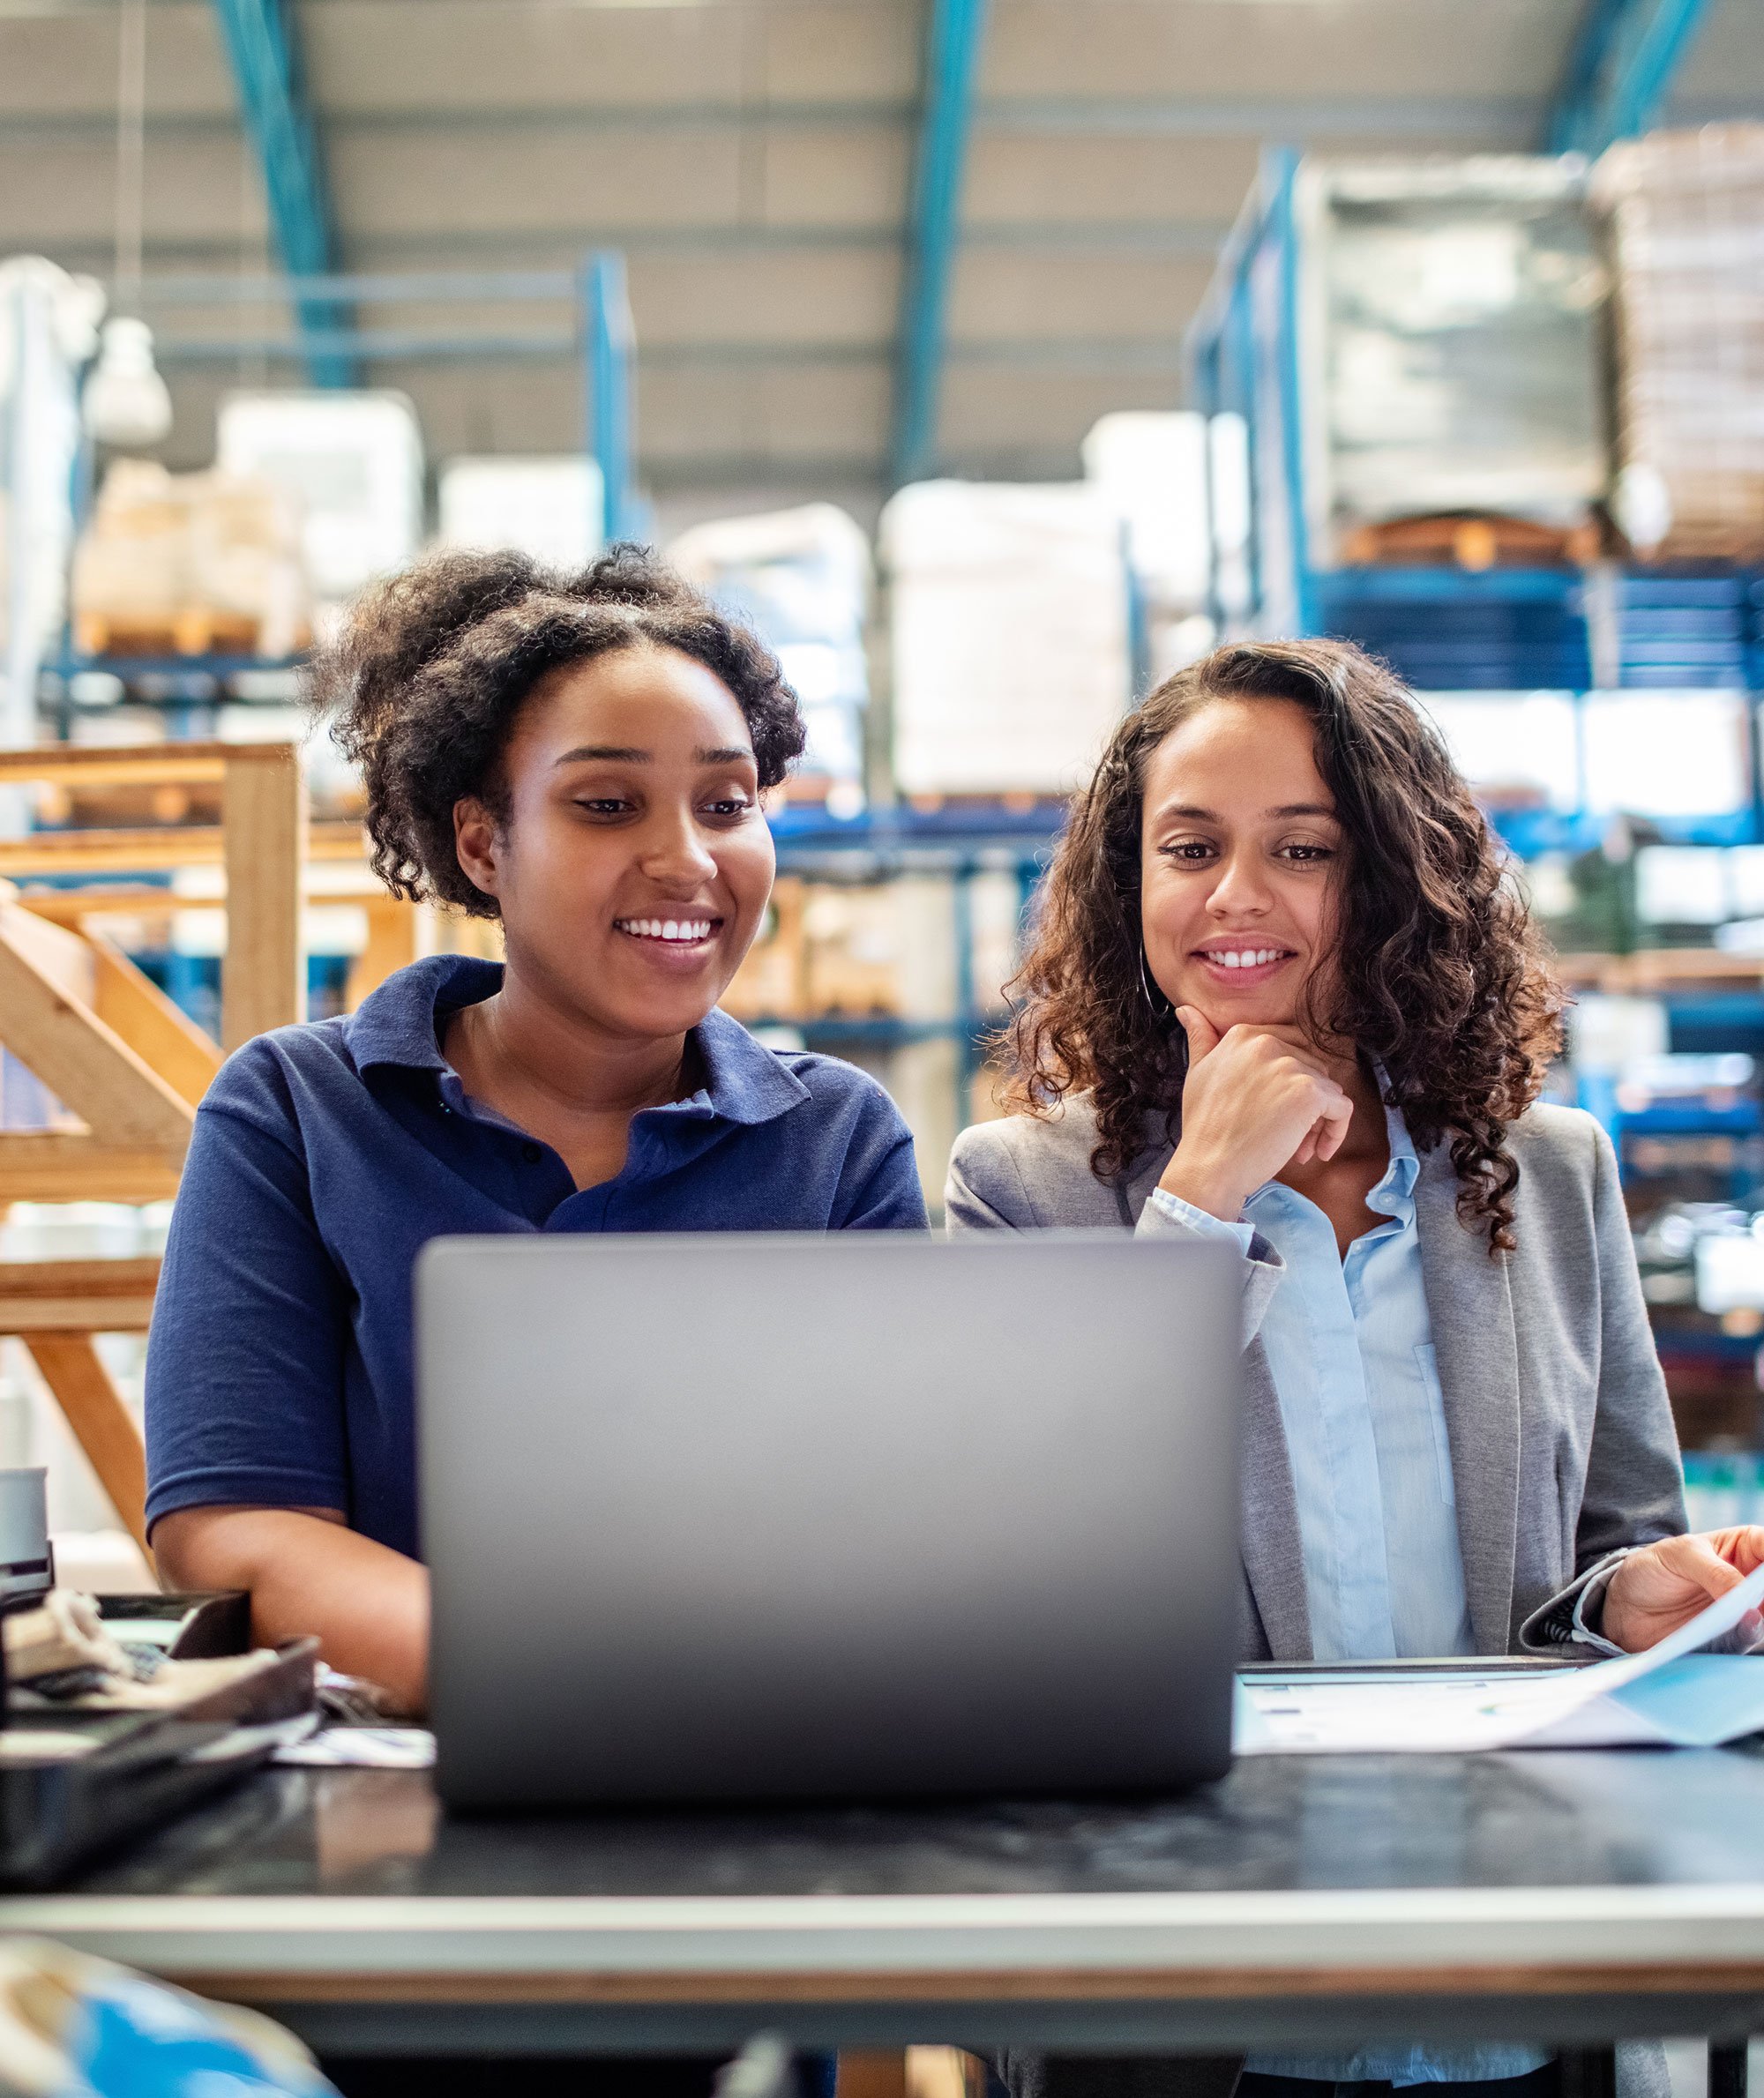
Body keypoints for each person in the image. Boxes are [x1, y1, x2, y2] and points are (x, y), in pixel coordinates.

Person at [947, 638, 1763, 2098]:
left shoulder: (1543, 1172)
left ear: (1386, 877)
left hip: (1524, 1986)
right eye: (1188, 847)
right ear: (1127, 882)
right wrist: (1199, 1198)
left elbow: (1613, 1542)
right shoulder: (1026, 1189)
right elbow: (1015, 1576)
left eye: (1302, 849)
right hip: (1196, 2014)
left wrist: (1627, 1596)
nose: (1235, 896)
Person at [147, 546, 926, 1717]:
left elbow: (891, 1531)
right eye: (608, 805)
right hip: (407, 1793)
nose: (687, 860)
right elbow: (232, 1527)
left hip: (759, 1775)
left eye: (728, 804)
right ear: (480, 844)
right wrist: (547, 1684)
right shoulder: (299, 1114)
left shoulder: (837, 1142)